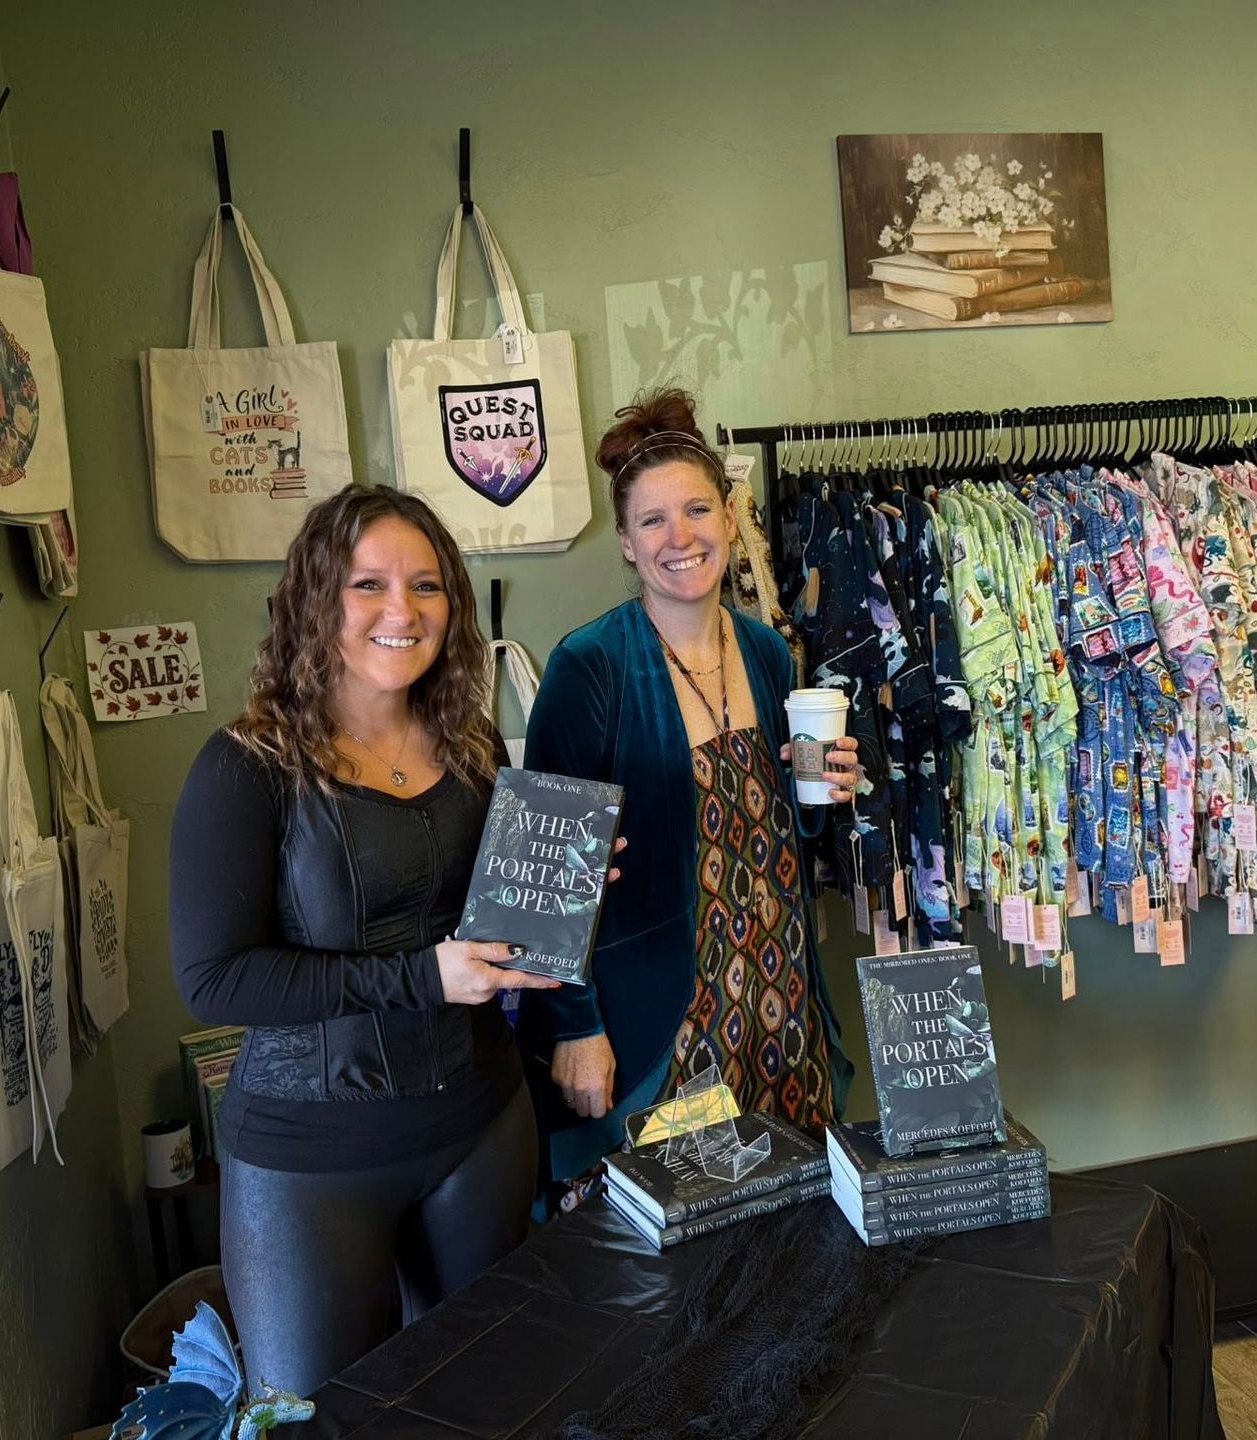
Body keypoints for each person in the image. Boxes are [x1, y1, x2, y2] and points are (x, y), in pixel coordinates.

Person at [170, 485, 562, 1398]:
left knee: (492, 1399)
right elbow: (215, 982)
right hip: (310, 1163)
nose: (403, 611)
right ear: (316, 600)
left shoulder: (470, 745)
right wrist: (420, 978)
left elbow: (482, 925)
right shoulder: (244, 766)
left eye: (427, 586)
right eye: (369, 585)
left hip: (481, 1124)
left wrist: (563, 885)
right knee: (319, 1417)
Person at [516, 388, 860, 1211]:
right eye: (653, 521)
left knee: (789, 1234)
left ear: (731, 520)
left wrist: (829, 789)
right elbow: (542, 880)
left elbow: (782, 824)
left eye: (698, 510)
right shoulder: (589, 667)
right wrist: (575, 1028)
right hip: (667, 1022)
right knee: (674, 1258)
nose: (681, 538)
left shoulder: (768, 652)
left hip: (780, 1004)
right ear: (628, 546)